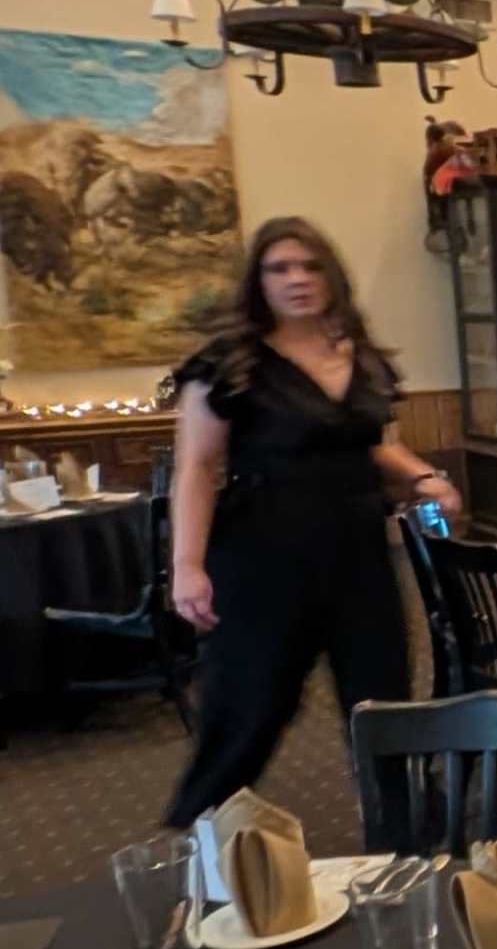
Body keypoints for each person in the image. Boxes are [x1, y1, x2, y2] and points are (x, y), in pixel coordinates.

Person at [162, 218, 458, 825]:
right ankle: (201, 844)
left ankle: (406, 846)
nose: (297, 279)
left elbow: (370, 447)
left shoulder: (360, 356)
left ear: (332, 276)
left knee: (383, 707)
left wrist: (423, 475)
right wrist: (187, 565)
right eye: (280, 268)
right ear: (259, 282)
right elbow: (196, 467)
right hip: (262, 557)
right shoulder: (231, 364)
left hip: (359, 556)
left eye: (310, 266)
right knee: (248, 710)